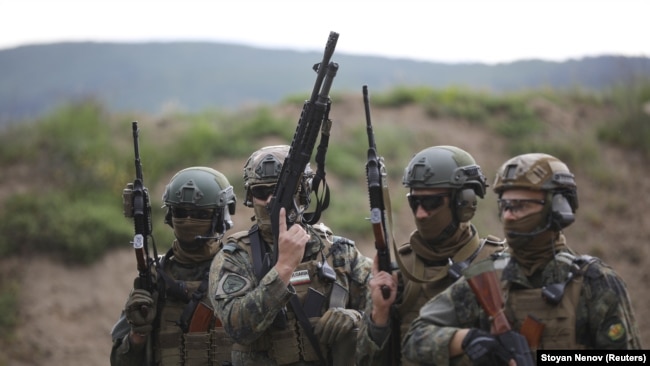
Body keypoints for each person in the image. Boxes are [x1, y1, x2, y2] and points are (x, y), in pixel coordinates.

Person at [402, 152, 642, 365]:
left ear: (557, 209)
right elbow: (415, 338)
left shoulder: (595, 283)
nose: (509, 216)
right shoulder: (488, 277)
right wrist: (469, 341)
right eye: (505, 206)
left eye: (520, 206)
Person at [208, 145, 373, 366]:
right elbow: (237, 329)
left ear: (302, 193)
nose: (269, 201)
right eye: (260, 192)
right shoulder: (236, 256)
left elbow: (383, 310)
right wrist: (283, 268)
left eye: (279, 191)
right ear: (249, 197)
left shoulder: (339, 252)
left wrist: (357, 317)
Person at [356, 145, 505, 366]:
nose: (420, 213)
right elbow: (366, 361)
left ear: (464, 203)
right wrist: (380, 313)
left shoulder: (498, 265)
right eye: (414, 202)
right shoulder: (398, 273)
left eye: (431, 202)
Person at [110, 166, 237, 366]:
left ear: (219, 217)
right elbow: (120, 362)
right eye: (181, 212)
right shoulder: (154, 279)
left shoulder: (239, 270)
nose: (188, 221)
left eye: (200, 214)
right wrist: (138, 335)